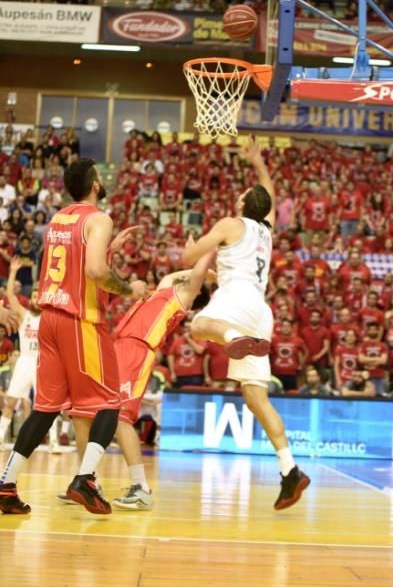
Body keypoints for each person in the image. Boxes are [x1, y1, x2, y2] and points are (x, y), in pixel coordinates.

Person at [0, 158, 147, 515]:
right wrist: (131, 288)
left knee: (46, 409)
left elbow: (76, 263)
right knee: (111, 402)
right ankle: (84, 479)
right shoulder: (100, 219)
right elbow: (95, 271)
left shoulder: (58, 218)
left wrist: (109, 247)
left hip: (49, 319)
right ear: (96, 182)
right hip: (80, 322)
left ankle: (6, 484)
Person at [181, 135, 310, 511]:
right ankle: (290, 470)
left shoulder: (231, 223)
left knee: (198, 325)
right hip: (260, 309)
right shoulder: (266, 228)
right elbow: (267, 191)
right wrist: (259, 164)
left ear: (241, 205)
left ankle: (233, 336)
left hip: (236, 300)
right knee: (256, 396)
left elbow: (190, 254)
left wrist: (191, 242)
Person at [63, 248, 214, 510]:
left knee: (120, 416)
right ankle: (87, 481)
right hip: (115, 348)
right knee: (82, 414)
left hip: (137, 351)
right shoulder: (162, 290)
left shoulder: (182, 298)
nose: (177, 279)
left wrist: (205, 249)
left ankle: (140, 487)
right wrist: (200, 268)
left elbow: (197, 275)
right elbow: (177, 275)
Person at [0, 258, 41, 450]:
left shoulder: (50, 318)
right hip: (25, 361)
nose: (36, 300)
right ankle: (0, 437)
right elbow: (9, 294)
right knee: (11, 400)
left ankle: (51, 440)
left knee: (45, 406)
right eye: (33, 297)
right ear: (31, 299)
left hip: (42, 362)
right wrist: (13, 271)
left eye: (39, 297)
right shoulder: (25, 315)